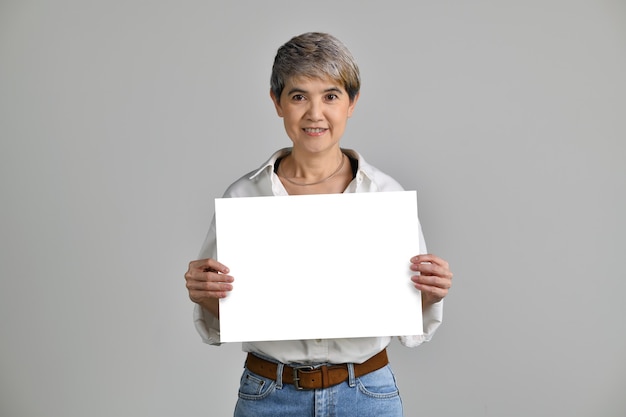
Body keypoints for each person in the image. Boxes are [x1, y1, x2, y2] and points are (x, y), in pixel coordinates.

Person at [184, 32, 453, 417]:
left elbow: (409, 321)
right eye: (298, 96)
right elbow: (225, 314)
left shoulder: (384, 196)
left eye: (330, 96)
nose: (314, 113)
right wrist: (203, 293)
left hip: (366, 393)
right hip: (269, 395)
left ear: (352, 103)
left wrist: (430, 292)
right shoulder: (244, 197)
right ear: (277, 103)